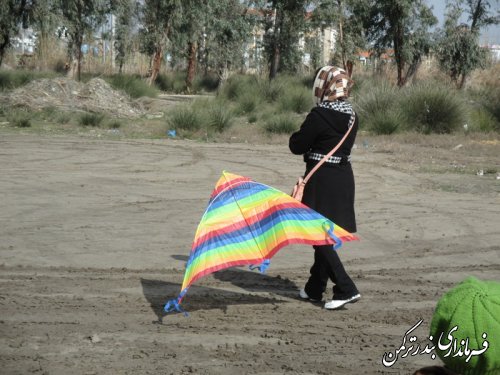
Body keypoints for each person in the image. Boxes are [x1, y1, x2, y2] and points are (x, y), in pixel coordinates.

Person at [289, 65, 360, 310]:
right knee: (323, 232)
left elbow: (297, 145)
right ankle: (314, 287)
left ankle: (345, 287)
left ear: (324, 86)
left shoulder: (319, 115)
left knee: (317, 234)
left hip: (321, 181)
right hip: (343, 179)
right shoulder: (352, 116)